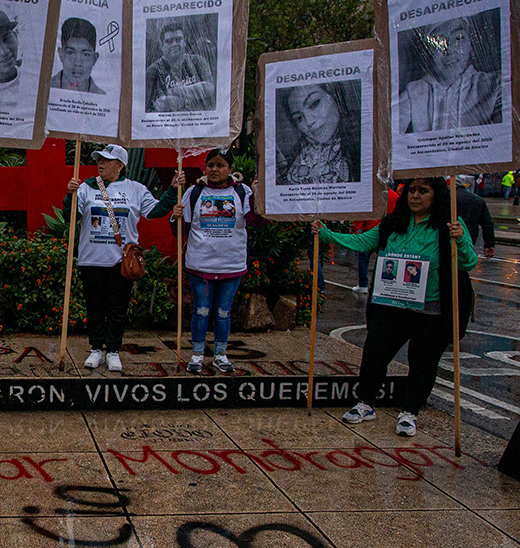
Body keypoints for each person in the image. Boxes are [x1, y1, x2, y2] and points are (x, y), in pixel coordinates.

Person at [320, 177, 477, 437]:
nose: (415, 196)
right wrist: (325, 234)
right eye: (411, 190)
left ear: (436, 195)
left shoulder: (449, 226)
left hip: (430, 310)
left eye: (423, 191)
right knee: (374, 354)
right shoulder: (393, 223)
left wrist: (459, 240)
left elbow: (468, 262)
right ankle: (365, 403)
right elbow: (363, 242)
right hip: (390, 305)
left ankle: (410, 412)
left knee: (423, 362)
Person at [67, 143, 168, 372]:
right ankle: (95, 349)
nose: (101, 163)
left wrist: (172, 191)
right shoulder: (86, 187)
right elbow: (70, 215)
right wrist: (70, 194)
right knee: (94, 307)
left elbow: (156, 211)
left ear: (120, 165)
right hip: (92, 258)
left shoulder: (136, 189)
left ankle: (112, 350)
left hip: (120, 261)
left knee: (117, 308)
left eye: (107, 160)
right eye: (99, 159)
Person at [148, 149, 251, 374]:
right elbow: (180, 230)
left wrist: (262, 197)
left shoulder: (242, 192)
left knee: (224, 312)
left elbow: (255, 221)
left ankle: (221, 355)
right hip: (200, 265)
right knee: (201, 311)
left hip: (230, 265)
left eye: (220, 165)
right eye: (211, 165)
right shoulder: (194, 193)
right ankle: (196, 355)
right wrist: (173, 217)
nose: (215, 169)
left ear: (230, 169)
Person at [397, 16, 502, 133]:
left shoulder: (495, 84)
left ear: (470, 44)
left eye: (459, 38)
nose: (450, 49)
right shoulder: (414, 91)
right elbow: (392, 131)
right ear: (427, 52)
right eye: (439, 42)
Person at [276, 83, 359, 184]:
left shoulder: (363, 140)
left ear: (335, 95)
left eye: (314, 104)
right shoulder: (296, 157)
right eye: (299, 118)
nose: (309, 122)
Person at [145, 22, 214, 112]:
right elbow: (156, 105)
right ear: (162, 46)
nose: (174, 44)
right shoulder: (153, 71)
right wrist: (194, 92)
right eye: (169, 41)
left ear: (184, 42)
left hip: (198, 121)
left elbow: (210, 88)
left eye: (178, 40)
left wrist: (176, 91)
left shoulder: (197, 61)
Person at [349, 187, 401, 294]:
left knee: (363, 260)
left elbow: (362, 214)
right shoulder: (394, 196)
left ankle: (363, 284)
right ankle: (382, 285)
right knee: (382, 260)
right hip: (387, 234)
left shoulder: (372, 195)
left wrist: (354, 228)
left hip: (370, 230)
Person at [52, 18, 106, 94]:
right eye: (70, 53)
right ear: (61, 54)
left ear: (94, 59)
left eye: (85, 55)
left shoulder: (103, 98)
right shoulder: (46, 88)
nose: (77, 63)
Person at [453, 176, 496, 260]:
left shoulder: (448, 198)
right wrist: (489, 244)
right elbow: (487, 224)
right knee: (464, 260)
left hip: (451, 234)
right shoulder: (478, 200)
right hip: (470, 236)